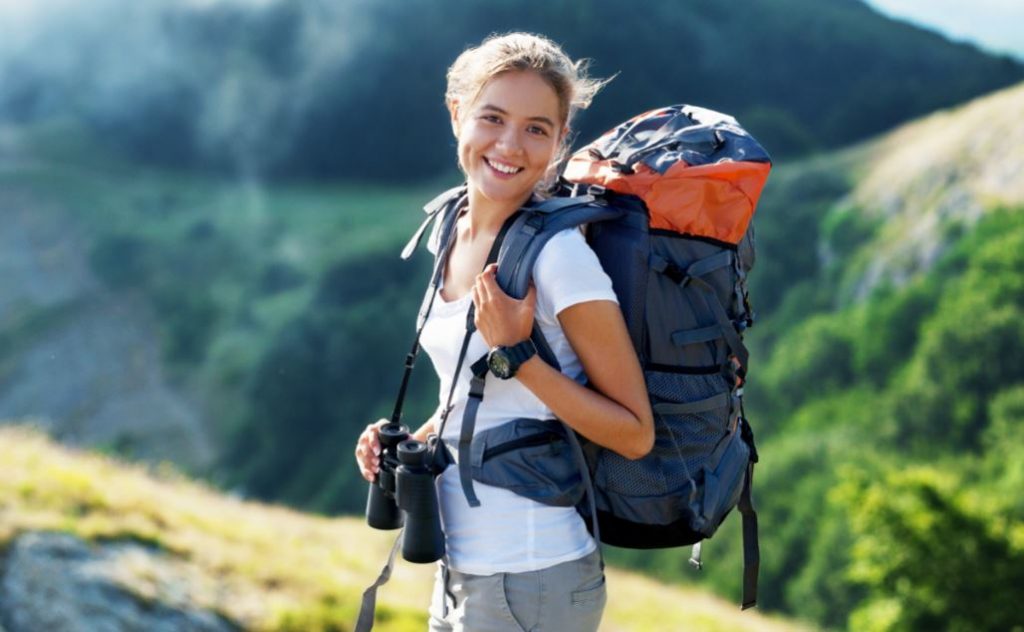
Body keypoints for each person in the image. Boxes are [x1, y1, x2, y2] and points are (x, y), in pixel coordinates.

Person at [354, 32, 654, 632]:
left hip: (533, 575)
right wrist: (417, 435)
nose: (510, 145)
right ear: (457, 114)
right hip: (462, 570)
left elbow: (634, 434)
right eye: (493, 117)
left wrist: (520, 355)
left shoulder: (560, 258)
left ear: (560, 141)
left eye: (537, 128)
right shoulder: (449, 227)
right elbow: (478, 396)